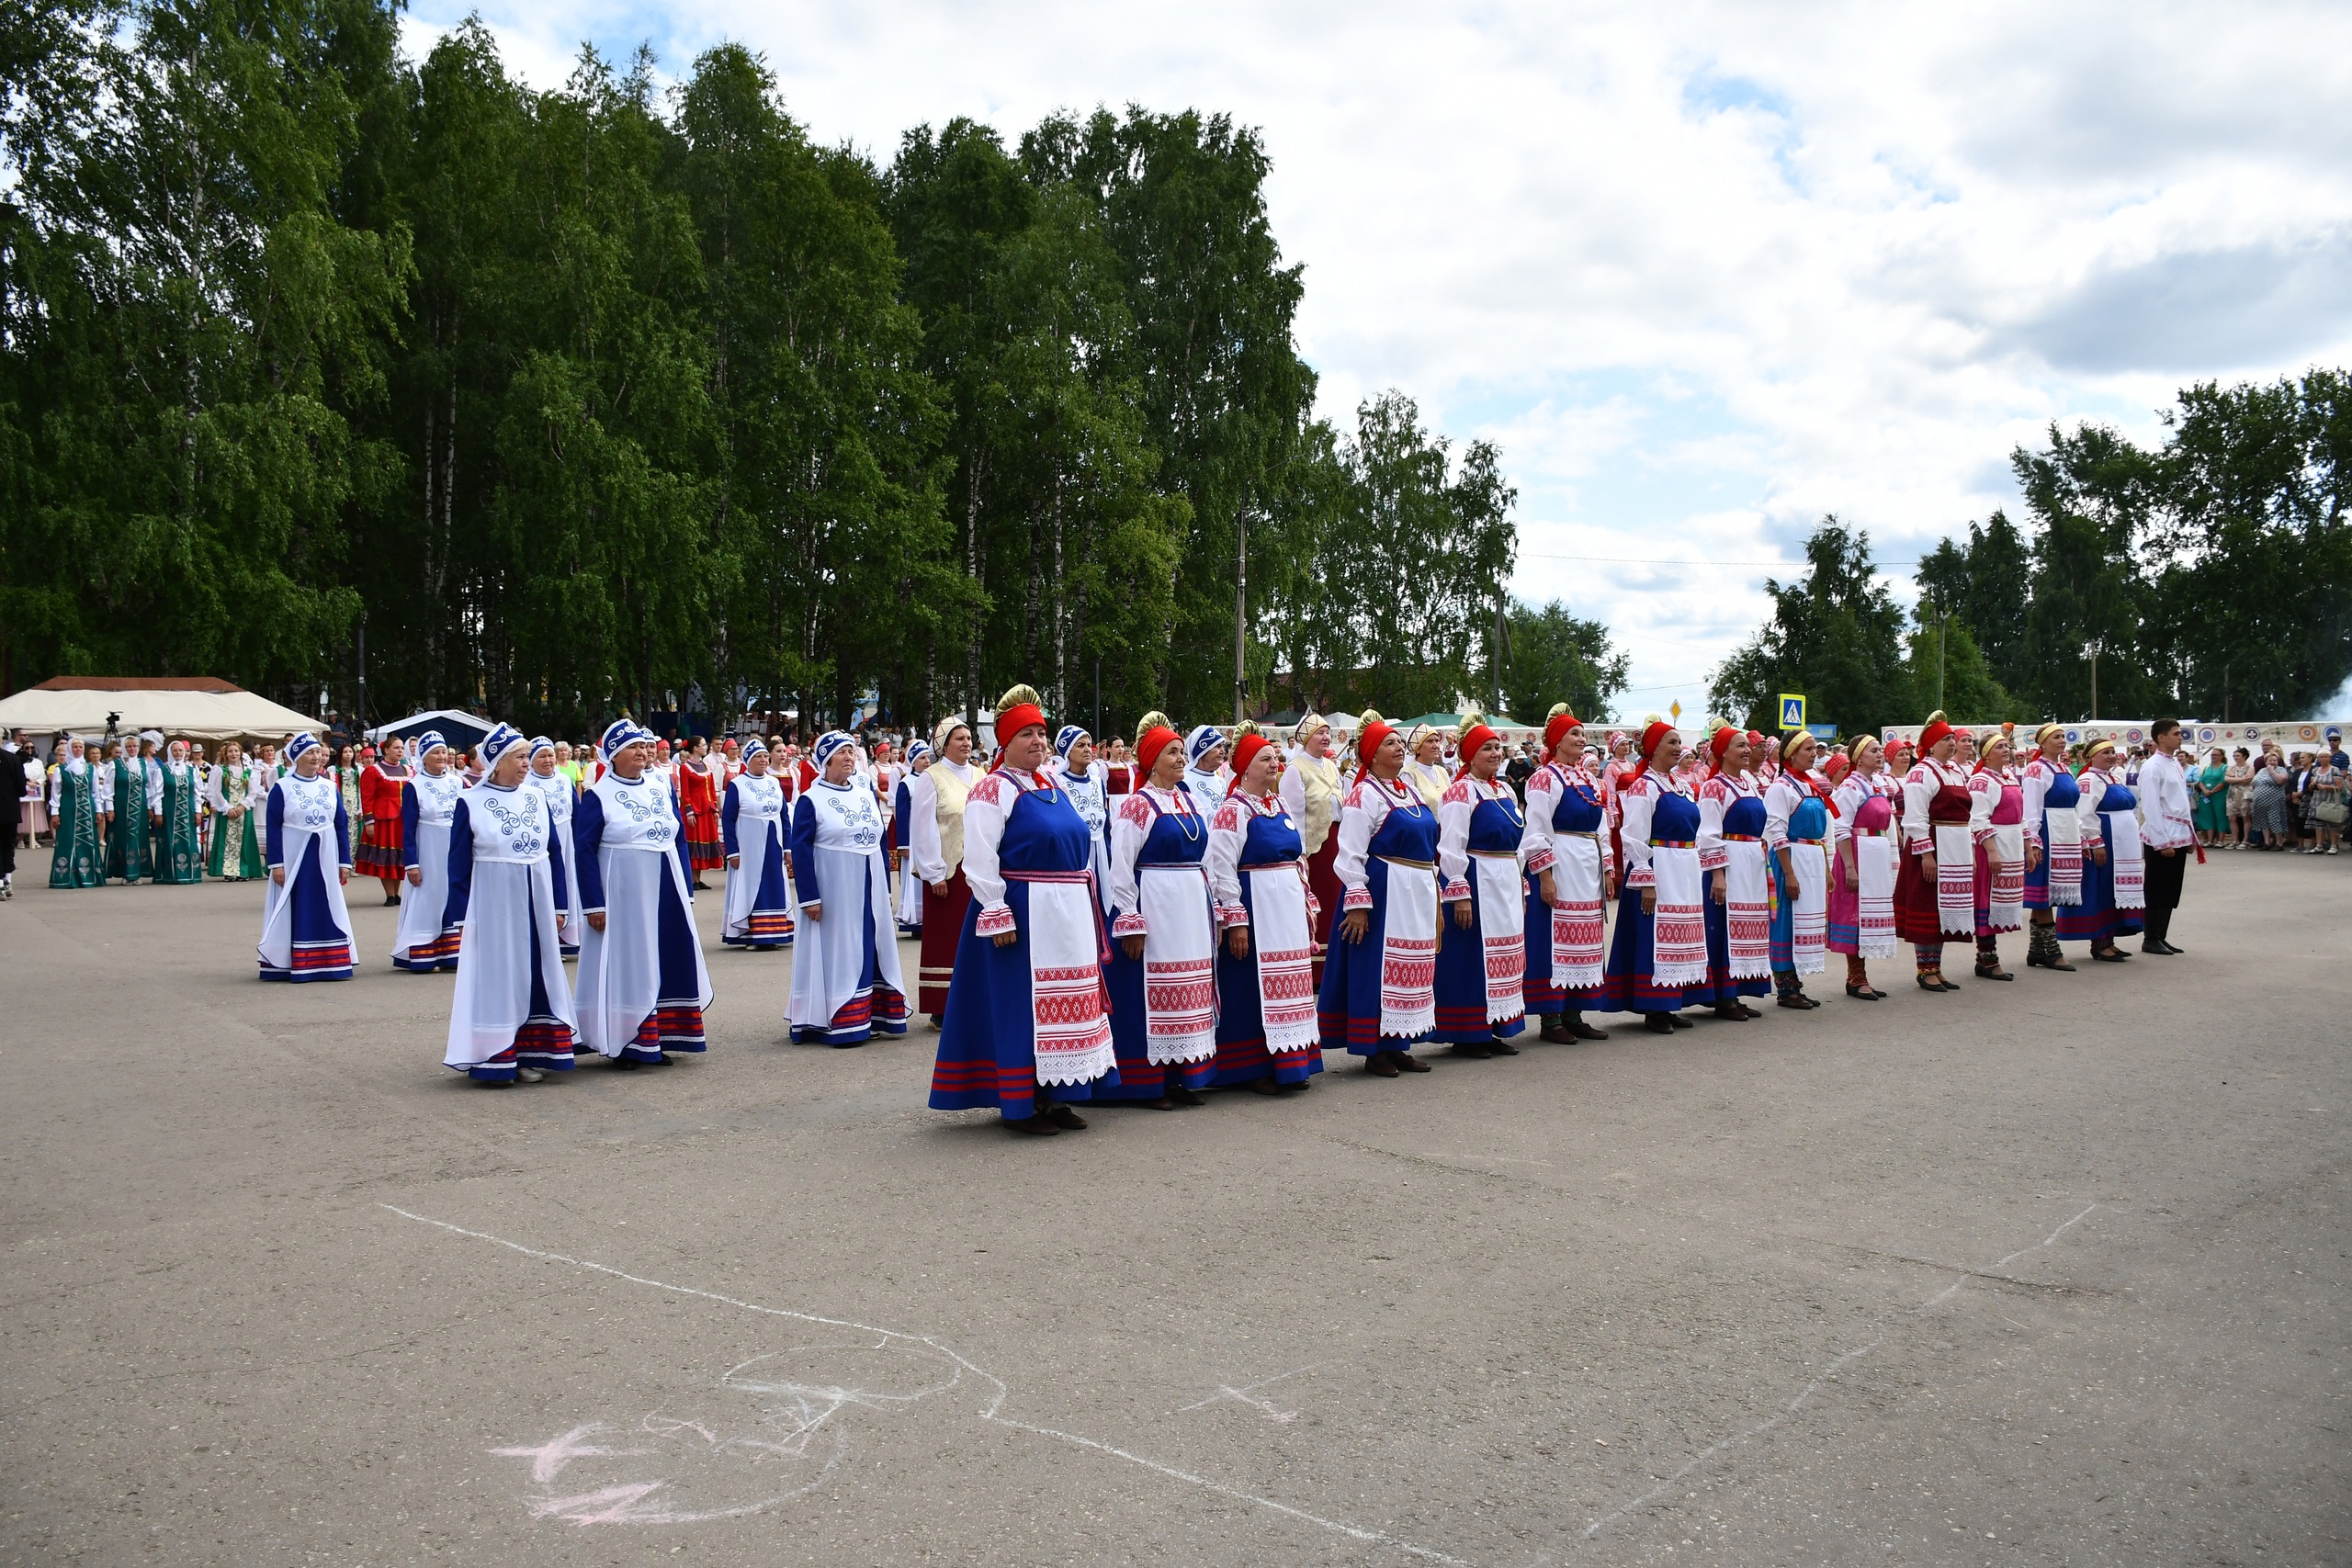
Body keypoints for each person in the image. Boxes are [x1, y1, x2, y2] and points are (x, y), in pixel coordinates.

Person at [927, 685, 1117, 1134]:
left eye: (1041, 733)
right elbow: (978, 856)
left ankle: (1057, 1092)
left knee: (1064, 1002)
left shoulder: (1051, 784)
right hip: (1023, 912)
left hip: (1065, 911)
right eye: (1026, 734)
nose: (1037, 741)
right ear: (1006, 743)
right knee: (1023, 1006)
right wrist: (995, 908)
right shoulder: (994, 789)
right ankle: (1021, 1100)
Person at [1090, 717, 1222, 1107]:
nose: (1181, 759)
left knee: (1189, 988)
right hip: (1157, 903)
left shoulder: (1189, 799)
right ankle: (1149, 1082)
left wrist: (1212, 901)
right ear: (1151, 760)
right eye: (1172, 752)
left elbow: (1208, 857)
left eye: (1182, 751)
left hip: (1190, 906)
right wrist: (1129, 917)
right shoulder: (1137, 805)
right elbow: (1120, 866)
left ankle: (1182, 1074)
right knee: (1151, 991)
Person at [441, 724, 578, 1084]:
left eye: (526, 756)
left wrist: (560, 905)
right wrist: (459, 916)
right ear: (498, 762)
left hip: (537, 900)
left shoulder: (536, 797)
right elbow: (457, 863)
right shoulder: (469, 801)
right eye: (519, 757)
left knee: (536, 971)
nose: (526, 763)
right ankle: (497, 1053)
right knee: (499, 974)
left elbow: (555, 853)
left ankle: (532, 1052)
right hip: (493, 903)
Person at [574, 719, 712, 1066]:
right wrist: (593, 903)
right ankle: (627, 1040)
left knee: (666, 955)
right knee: (630, 961)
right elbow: (584, 852)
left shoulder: (660, 785)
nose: (641, 752)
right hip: (624, 894)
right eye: (632, 748)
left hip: (665, 887)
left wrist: (685, 890)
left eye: (643, 746)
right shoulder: (598, 796)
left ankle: (661, 1035)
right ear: (614, 755)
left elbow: (677, 835)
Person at [1317, 710, 1443, 1077]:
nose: (1399, 748)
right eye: (1389, 743)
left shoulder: (1410, 789)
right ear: (1371, 755)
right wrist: (1357, 903)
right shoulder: (1363, 795)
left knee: (1410, 965)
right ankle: (1374, 1049)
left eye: (1400, 742)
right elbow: (1350, 853)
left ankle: (1398, 1042)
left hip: (1415, 889)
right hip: (1385, 891)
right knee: (1380, 968)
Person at [1205, 724, 1322, 1093]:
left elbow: (1298, 855)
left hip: (1286, 908)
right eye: (1266, 758)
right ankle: (1251, 1067)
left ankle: (1291, 1063)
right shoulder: (1232, 810)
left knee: (1290, 983)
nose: (1275, 764)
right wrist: (1236, 918)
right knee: (1251, 986)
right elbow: (1220, 867)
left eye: (1276, 757)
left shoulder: (1280, 804)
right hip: (1257, 907)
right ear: (1244, 766)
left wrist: (1306, 902)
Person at [786, 731, 909, 1046]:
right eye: (842, 753)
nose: (849, 759)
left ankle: (874, 1015)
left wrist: (885, 883)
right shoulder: (810, 800)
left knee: (873, 941)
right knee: (842, 949)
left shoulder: (865, 793)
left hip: (869, 884)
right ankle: (841, 1018)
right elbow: (800, 849)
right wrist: (810, 897)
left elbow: (879, 840)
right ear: (826, 760)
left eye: (852, 753)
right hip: (833, 888)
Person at [1602, 722, 1711, 1032]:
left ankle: (1671, 1000)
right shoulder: (1644, 786)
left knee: (1680, 935)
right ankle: (1654, 1007)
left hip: (1684, 867)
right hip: (1660, 865)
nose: (1678, 747)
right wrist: (1646, 877)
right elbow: (1634, 836)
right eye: (1670, 742)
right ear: (1653, 748)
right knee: (1656, 935)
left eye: (1679, 741)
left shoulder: (1681, 784)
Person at [1432, 715, 1530, 1056]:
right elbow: (1450, 844)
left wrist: (1520, 882)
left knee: (1505, 951)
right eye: (1487, 748)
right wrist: (1459, 891)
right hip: (1477, 877)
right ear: (1469, 755)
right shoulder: (1461, 791)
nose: (1495, 753)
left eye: (1498, 747)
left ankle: (1495, 1026)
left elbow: (1517, 840)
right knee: (1473, 955)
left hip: (1504, 878)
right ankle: (1468, 1031)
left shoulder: (1503, 788)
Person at [1520, 705, 1612, 1042]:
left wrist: (1608, 866)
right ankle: (1551, 1018)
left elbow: (1602, 825)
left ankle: (1575, 1012)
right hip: (1561, 862)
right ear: (1557, 741)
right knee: (1555, 940)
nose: (1581, 739)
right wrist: (1545, 875)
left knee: (1585, 938)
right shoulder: (1545, 777)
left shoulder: (1590, 779)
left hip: (1586, 863)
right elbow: (1537, 829)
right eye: (1574, 733)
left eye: (1582, 734)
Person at [256, 733, 356, 982]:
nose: (316, 757)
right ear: (297, 757)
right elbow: (273, 825)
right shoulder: (282, 787)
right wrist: (276, 864)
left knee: (327, 902)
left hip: (325, 853)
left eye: (318, 753)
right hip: (294, 854)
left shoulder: (329, 786)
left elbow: (340, 824)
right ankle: (293, 961)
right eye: (310, 753)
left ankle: (331, 960)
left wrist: (344, 861)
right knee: (297, 904)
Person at [1894, 713, 1975, 992]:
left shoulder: (1955, 771)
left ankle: (1936, 967)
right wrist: (1926, 854)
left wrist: (1970, 853)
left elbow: (1967, 813)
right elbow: (1915, 818)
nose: (1952, 743)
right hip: (1931, 846)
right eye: (1946, 739)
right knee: (1927, 907)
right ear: (1930, 746)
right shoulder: (1921, 773)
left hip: (1954, 847)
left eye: (1953, 738)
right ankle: (1924, 969)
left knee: (1944, 911)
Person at [1696, 727, 1770, 1020]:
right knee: (1726, 927)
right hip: (1730, 861)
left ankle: (1738, 990)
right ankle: (1723, 995)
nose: (1746, 750)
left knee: (1749, 925)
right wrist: (1717, 874)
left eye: (1747, 746)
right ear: (1723, 751)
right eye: (1740, 746)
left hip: (1752, 859)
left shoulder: (1749, 783)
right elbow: (1709, 833)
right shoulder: (1714, 786)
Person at [909, 716, 978, 1026]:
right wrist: (934, 872)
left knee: (976, 936)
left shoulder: (981, 774)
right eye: (959, 739)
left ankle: (973, 1000)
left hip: (977, 868)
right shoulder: (931, 777)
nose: (966, 743)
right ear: (944, 745)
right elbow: (922, 827)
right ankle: (942, 1006)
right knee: (946, 937)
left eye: (968, 738)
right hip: (948, 872)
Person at [2056, 736, 2143, 961]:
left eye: (2113, 752)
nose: (2111, 756)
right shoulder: (2088, 779)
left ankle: (2109, 939)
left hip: (2122, 844)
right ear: (2091, 756)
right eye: (2105, 752)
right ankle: (2100, 942)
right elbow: (2084, 813)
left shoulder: (2113, 776)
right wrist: (2095, 842)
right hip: (2106, 840)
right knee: (2102, 889)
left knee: (2114, 889)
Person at [1826, 736, 1898, 998]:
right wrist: (1850, 867)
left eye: (1881, 750)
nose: (1879, 754)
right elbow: (1842, 829)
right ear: (1858, 757)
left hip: (1874, 853)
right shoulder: (1849, 788)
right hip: (1857, 854)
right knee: (1855, 914)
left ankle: (1859, 976)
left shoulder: (1877, 784)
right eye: (1873, 751)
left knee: (1868, 915)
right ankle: (1856, 977)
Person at [1764, 728, 1831, 1007]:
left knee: (1805, 921)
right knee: (1787, 920)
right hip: (1790, 859)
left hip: (1812, 857)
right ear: (1791, 754)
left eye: (1815, 748)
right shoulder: (1781, 788)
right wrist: (1789, 873)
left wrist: (1827, 869)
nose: (1814, 754)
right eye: (1808, 749)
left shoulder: (1810, 785)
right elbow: (1776, 831)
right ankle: (1785, 988)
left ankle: (1797, 984)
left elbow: (1823, 833)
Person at [391, 732, 467, 972]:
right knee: (429, 898)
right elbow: (408, 828)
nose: (442, 756)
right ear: (423, 757)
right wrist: (411, 863)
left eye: (444, 751)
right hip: (428, 853)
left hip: (454, 851)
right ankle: (423, 953)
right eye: (435, 752)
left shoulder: (458, 782)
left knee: (452, 896)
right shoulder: (415, 786)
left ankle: (451, 953)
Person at [1281, 714, 1345, 985]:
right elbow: (1293, 815)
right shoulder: (1296, 769)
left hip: (1335, 843)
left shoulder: (1331, 766)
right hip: (1313, 850)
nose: (1326, 738)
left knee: (1335, 902)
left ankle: (1335, 967)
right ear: (1307, 737)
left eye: (1328, 733)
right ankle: (1315, 970)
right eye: (1320, 733)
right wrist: (1300, 853)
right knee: (1318, 903)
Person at [1966, 728, 2033, 981]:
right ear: (1986, 753)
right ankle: (1987, 958)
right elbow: (1978, 819)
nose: (2006, 750)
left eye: (2007, 746)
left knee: (2001, 902)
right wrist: (1992, 851)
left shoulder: (2009, 776)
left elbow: (2021, 815)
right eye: (1999, 747)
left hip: (2012, 843)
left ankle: (1988, 957)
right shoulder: (1981, 781)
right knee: (1989, 901)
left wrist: (2028, 848)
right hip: (1993, 847)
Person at [721, 737, 794, 950]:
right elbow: (728, 819)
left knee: (774, 884)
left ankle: (776, 932)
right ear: (748, 760)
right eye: (758, 757)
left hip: (774, 844)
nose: (763, 760)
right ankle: (753, 933)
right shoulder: (737, 785)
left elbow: (784, 816)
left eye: (764, 756)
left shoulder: (774, 782)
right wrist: (732, 852)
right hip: (749, 846)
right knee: (752, 885)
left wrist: (787, 847)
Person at [2135, 718, 2197, 953]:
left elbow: (2181, 803)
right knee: (2157, 887)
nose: (2180, 737)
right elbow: (2150, 806)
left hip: (2179, 834)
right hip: (2162, 836)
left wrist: (2190, 836)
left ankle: (2161, 935)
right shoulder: (2152, 767)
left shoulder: (2174, 764)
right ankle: (2150, 937)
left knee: (2171, 888)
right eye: (2176, 733)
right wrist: (2162, 842)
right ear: (2161, 737)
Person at [524, 738, 582, 955]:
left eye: (550, 755)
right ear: (531, 760)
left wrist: (578, 842)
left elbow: (576, 813)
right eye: (542, 756)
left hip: (565, 840)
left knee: (566, 881)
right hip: (541, 844)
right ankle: (543, 937)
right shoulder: (526, 783)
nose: (548, 760)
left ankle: (566, 937)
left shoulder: (564, 780)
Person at [1051, 726, 1114, 914]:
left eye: (1089, 745)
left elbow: (1105, 819)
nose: (1088, 749)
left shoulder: (1097, 782)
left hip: (1101, 849)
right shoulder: (1057, 782)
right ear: (1068, 752)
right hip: (1076, 852)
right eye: (1080, 746)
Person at [356, 736, 410, 904]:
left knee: (399, 858)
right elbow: (367, 797)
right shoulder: (374, 770)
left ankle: (397, 892)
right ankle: (390, 894)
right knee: (386, 857)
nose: (400, 751)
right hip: (384, 820)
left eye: (401, 748)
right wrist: (369, 821)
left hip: (403, 819)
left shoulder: (408, 770)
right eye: (396, 748)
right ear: (386, 750)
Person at [205, 740, 266, 881]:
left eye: (236, 751)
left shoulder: (248, 772)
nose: (233, 754)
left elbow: (253, 792)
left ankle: (243, 870)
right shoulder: (221, 770)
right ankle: (229, 870)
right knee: (227, 841)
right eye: (230, 751)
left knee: (244, 840)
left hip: (243, 811)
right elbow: (217, 792)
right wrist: (228, 808)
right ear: (226, 754)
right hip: (227, 810)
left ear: (241, 753)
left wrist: (242, 806)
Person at [48, 738, 104, 888]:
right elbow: (56, 793)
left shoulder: (91, 769)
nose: (78, 750)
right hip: (68, 808)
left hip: (87, 809)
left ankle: (89, 876)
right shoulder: (61, 770)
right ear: (69, 749)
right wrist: (55, 812)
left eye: (80, 747)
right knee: (67, 839)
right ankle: (65, 877)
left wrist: (99, 810)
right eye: (75, 747)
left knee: (88, 840)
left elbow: (95, 791)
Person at [152, 739, 205, 884]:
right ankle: (170, 874)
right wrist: (158, 813)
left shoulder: (191, 770)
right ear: (170, 752)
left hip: (187, 810)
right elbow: (157, 793)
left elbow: (197, 793)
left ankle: (190, 873)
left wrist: (198, 811)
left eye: (180, 750)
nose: (178, 753)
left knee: (189, 840)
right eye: (175, 750)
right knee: (170, 840)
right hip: (169, 811)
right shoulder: (161, 770)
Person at [892, 740, 929, 936]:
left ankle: (929, 919)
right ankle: (916, 921)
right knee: (915, 879)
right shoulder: (906, 783)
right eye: (922, 758)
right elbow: (903, 814)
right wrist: (903, 845)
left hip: (929, 837)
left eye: (928, 757)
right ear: (913, 761)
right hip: (913, 840)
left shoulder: (932, 779)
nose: (926, 761)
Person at [677, 738, 724, 889]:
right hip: (693, 811)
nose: (706, 747)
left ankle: (698, 879)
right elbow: (685, 791)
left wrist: (714, 808)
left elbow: (711, 789)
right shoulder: (685, 767)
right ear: (695, 748)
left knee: (702, 843)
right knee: (693, 844)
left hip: (706, 810)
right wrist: (688, 810)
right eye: (703, 745)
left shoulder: (706, 766)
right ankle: (691, 879)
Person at [106, 735, 153, 884]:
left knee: (139, 838)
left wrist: (151, 807)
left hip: (140, 807)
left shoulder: (143, 764)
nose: (132, 749)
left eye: (135, 746)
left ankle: (137, 872)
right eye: (129, 747)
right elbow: (108, 788)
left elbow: (150, 787)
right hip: (122, 807)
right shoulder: (115, 765)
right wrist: (110, 808)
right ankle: (127, 873)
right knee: (124, 837)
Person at [1179, 724, 1229, 819]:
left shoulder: (1222, 782)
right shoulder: (1184, 782)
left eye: (1222, 746)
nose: (1223, 751)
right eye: (1217, 747)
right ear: (1202, 752)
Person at [1402, 725, 1450, 808]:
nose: (1436, 746)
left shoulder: (1442, 771)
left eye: (1437, 741)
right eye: (1430, 741)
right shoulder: (1409, 774)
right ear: (1418, 749)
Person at [2192, 748, 2230, 847]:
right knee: (2206, 816)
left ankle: (2220, 840)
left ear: (2221, 757)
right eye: (2212, 755)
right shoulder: (2207, 767)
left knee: (2220, 816)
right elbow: (2201, 781)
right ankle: (2209, 840)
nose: (2213, 757)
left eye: (2216, 755)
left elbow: (2223, 781)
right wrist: (2205, 790)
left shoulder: (2224, 768)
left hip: (2219, 795)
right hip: (2205, 795)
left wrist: (2213, 791)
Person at [2223, 748, 2255, 848]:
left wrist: (2234, 778)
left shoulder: (2250, 767)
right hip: (2232, 794)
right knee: (2232, 817)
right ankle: (2235, 840)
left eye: (2238, 756)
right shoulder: (2231, 767)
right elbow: (2227, 779)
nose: (2235, 758)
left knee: (2245, 817)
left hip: (2244, 794)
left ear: (2244, 756)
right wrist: (2240, 779)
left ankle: (2245, 840)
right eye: (2234, 756)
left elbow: (2248, 780)